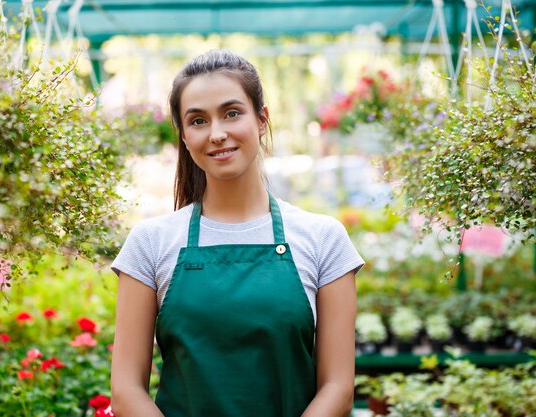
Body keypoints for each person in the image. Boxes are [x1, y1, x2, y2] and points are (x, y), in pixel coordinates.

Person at [110, 49, 364, 417]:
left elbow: (337, 388)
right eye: (198, 121)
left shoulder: (324, 239)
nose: (217, 134)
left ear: (262, 119)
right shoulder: (150, 243)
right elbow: (126, 391)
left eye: (232, 114)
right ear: (182, 135)